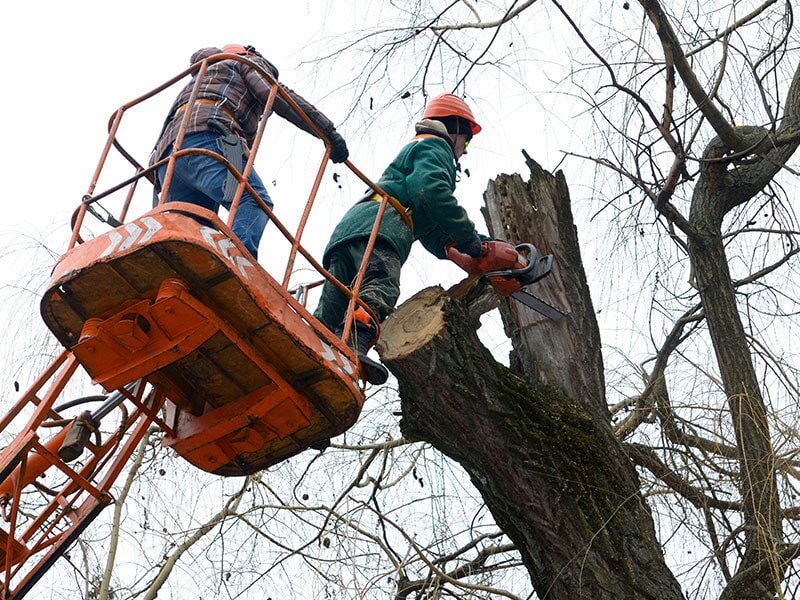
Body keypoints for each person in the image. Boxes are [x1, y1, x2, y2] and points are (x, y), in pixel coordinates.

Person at [313, 93, 485, 386]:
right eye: (466, 141)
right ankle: (355, 344)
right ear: (453, 126)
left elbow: (429, 226)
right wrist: (468, 238)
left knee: (329, 316)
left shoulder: (416, 151)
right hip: (382, 227)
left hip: (353, 228)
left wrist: (460, 249)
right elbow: (430, 192)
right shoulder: (436, 146)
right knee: (381, 284)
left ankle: (313, 380)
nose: (465, 151)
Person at [151, 44, 349, 259]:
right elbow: (279, 96)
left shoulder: (203, 78)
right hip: (211, 137)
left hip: (168, 159)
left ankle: (181, 269)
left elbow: (245, 145)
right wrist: (327, 132)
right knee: (252, 201)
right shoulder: (246, 63)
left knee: (193, 229)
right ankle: (235, 263)